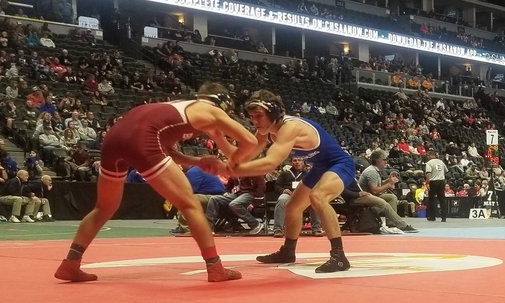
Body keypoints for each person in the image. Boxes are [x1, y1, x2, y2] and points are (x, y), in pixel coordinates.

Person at [55, 83, 256, 282]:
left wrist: (198, 161)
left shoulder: (180, 107)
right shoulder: (212, 111)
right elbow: (251, 142)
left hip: (114, 139)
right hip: (142, 139)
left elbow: (163, 148)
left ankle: (71, 263)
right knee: (190, 204)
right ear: (222, 105)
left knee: (104, 207)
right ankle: (215, 267)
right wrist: (233, 165)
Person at [232, 90, 356, 273]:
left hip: (340, 164)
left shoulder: (290, 128)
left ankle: (339, 257)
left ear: (274, 114)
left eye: (258, 116)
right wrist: (229, 162)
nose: (254, 121)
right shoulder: (267, 130)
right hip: (320, 167)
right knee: (292, 207)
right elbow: (251, 151)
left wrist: (233, 168)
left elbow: (270, 163)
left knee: (318, 197)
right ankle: (288, 252)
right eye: (251, 116)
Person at [423, 149, 449, 222]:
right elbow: (446, 171)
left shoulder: (429, 163)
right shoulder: (441, 162)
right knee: (442, 200)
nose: (427, 157)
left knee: (432, 200)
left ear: (431, 155)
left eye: (428, 155)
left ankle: (432, 216)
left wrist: (427, 183)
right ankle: (444, 218)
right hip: (441, 182)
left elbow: (428, 173)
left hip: (433, 182)